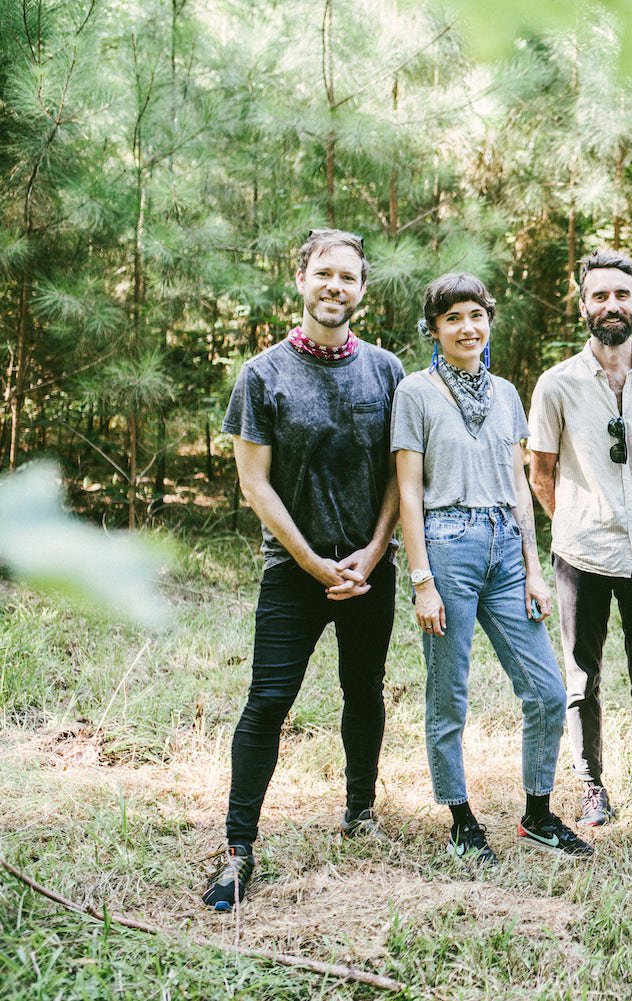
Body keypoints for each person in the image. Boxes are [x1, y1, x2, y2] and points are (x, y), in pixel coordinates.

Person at [206, 229, 404, 910]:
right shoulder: (262, 375)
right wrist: (312, 562)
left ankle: (360, 810)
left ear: (361, 289)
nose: (334, 287)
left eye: (347, 277)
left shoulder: (387, 372)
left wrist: (374, 550)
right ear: (300, 279)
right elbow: (254, 483)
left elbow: (400, 474)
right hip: (294, 572)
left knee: (364, 690)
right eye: (324, 274)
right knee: (268, 701)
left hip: (369, 569)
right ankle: (238, 848)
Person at [392, 272, 592, 863]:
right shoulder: (415, 393)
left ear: (489, 322)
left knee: (547, 690)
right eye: (452, 318)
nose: (467, 328)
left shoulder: (505, 393)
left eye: (476, 315)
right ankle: (461, 820)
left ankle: (537, 814)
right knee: (448, 693)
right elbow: (408, 494)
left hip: (506, 548)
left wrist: (534, 567)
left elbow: (518, 485)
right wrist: (422, 582)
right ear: (434, 329)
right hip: (446, 546)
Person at [529, 250, 632, 829]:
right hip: (581, 554)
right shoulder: (557, 385)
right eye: (600, 295)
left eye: (621, 295)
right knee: (582, 678)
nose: (612, 305)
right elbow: (540, 472)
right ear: (583, 305)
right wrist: (580, 521)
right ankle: (591, 786)